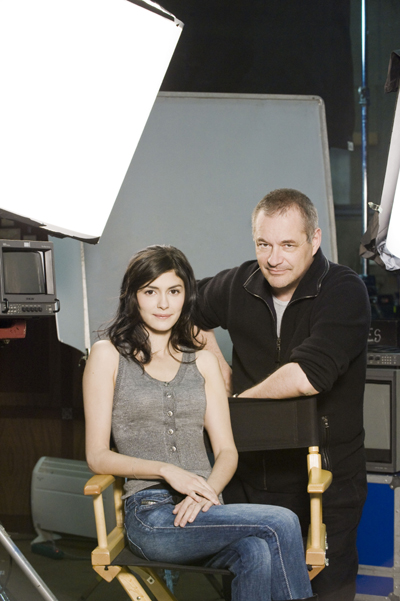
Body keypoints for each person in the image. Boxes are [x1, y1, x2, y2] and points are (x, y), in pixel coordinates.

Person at [83, 244, 316, 601]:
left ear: (186, 295)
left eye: (174, 291)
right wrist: (166, 470)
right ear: (133, 296)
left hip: (207, 510)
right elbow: (97, 456)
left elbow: (226, 451)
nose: (164, 304)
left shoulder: (203, 362)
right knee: (283, 521)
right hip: (152, 517)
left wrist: (206, 492)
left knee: (256, 551)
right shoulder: (107, 355)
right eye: (151, 292)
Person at [197, 189, 371, 601]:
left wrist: (234, 406)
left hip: (325, 482)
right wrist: (215, 366)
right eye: (264, 244)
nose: (274, 258)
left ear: (315, 239)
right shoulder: (240, 282)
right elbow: (179, 311)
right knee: (246, 589)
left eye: (288, 244)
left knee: (327, 591)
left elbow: (308, 375)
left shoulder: (343, 290)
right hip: (248, 478)